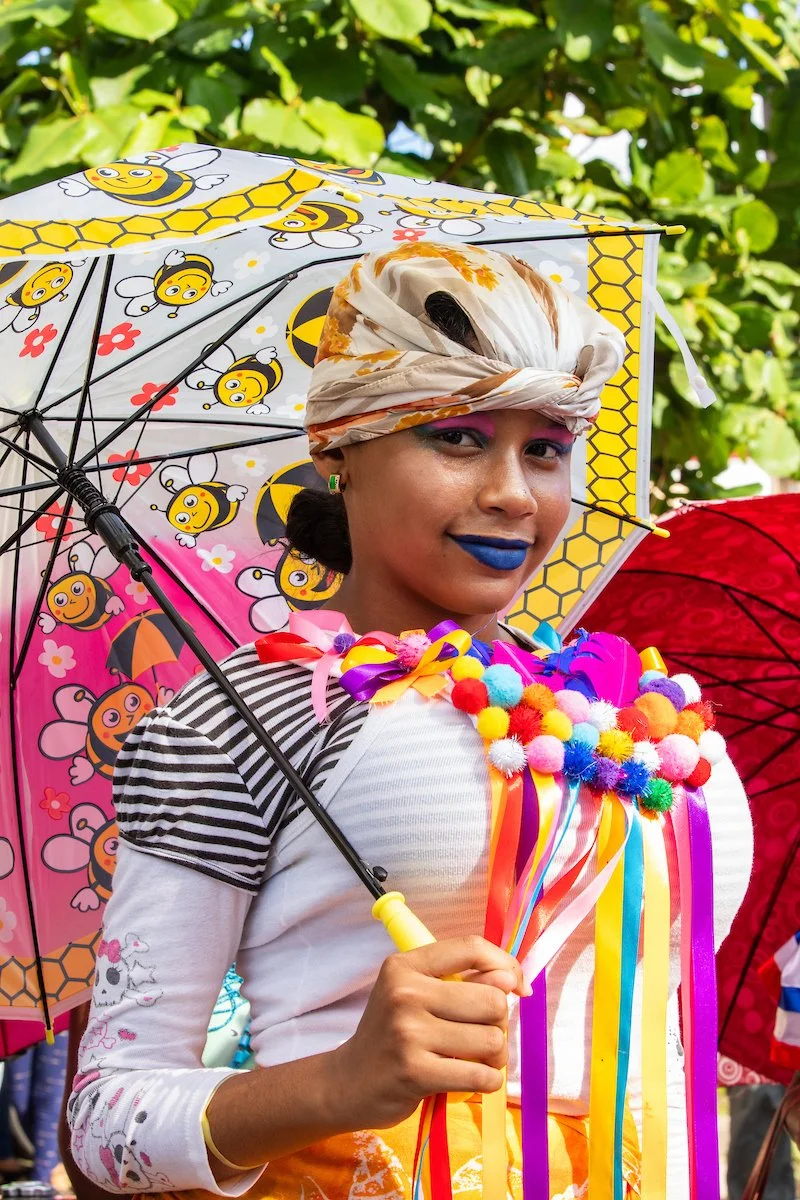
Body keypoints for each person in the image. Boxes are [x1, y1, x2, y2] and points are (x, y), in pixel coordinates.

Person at [66, 241, 754, 1200]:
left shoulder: (634, 707)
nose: (513, 493)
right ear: (338, 451)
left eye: (546, 448)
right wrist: (338, 1082)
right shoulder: (245, 716)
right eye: (458, 438)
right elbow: (104, 1127)